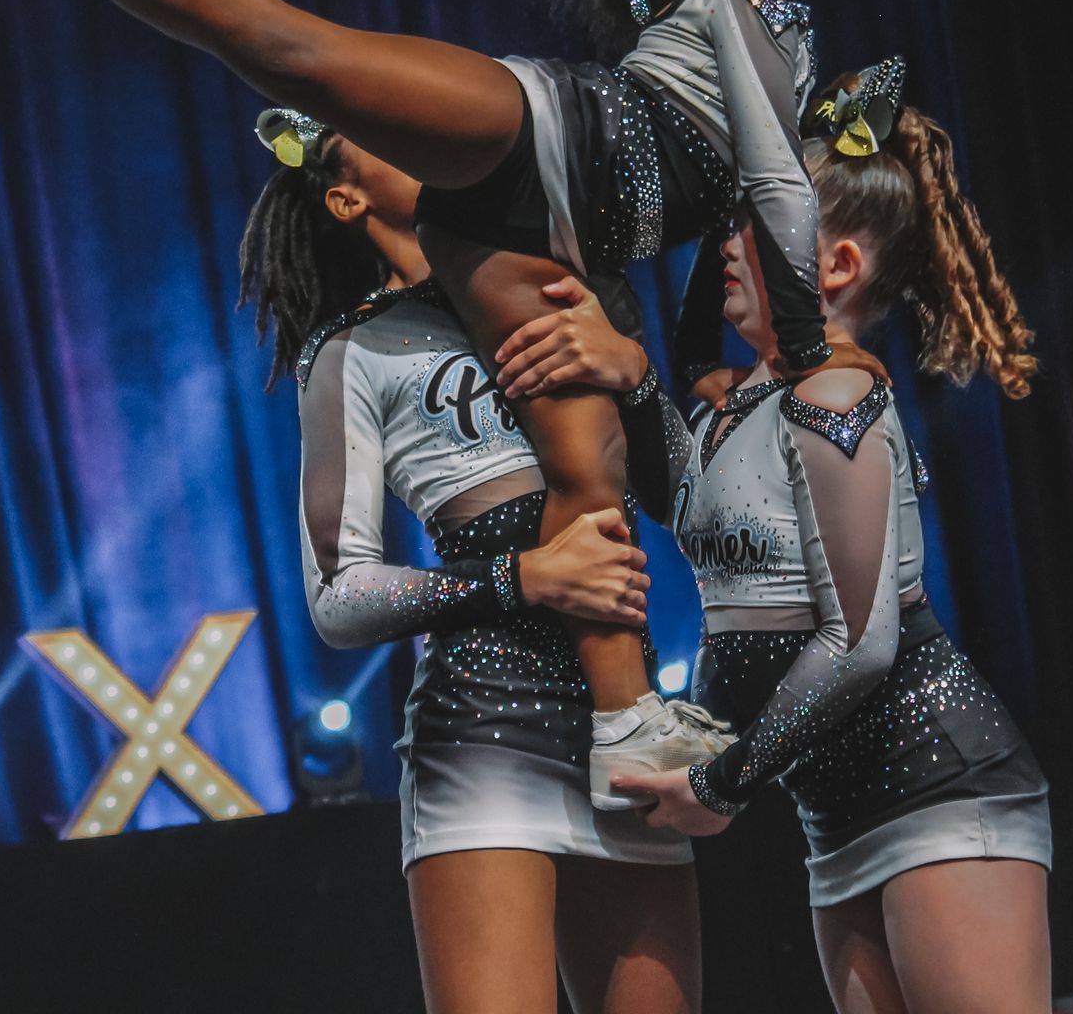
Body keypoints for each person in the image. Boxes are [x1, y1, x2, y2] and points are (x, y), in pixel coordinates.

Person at [0, 0, 882, 801]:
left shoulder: (745, 23)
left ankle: (624, 721)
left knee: (588, 467)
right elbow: (774, 185)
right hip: (558, 137)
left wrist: (685, 353)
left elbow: (731, 218)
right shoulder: (743, 4)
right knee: (297, 50)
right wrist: (799, 343)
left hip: (546, 232)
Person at [588, 60, 1054, 1013]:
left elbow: (862, 638)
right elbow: (678, 495)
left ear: (837, 265)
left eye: (753, 224)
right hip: (835, 814)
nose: (727, 244)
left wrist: (720, 781)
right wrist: (624, 361)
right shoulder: (734, 409)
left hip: (941, 791)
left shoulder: (839, 399)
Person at [240, 108, 722, 1012]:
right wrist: (523, 577)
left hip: (625, 715)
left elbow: (691, 505)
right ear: (346, 195)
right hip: (483, 730)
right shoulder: (353, 352)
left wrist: (635, 372)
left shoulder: (563, 287)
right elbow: (338, 597)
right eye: (383, 133)